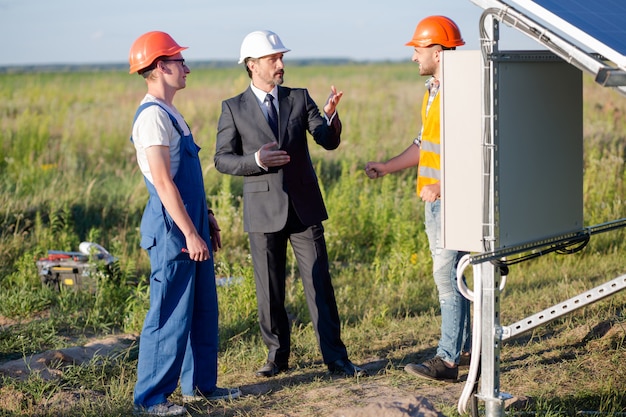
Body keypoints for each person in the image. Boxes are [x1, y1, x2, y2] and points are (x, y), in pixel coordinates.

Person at [214, 30, 366, 379]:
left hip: (304, 209)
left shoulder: (299, 98)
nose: (281, 64)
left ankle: (337, 359)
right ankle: (276, 356)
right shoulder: (232, 108)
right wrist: (256, 159)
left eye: (282, 58)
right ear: (253, 66)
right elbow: (222, 159)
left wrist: (329, 116)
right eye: (273, 59)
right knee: (269, 289)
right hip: (262, 211)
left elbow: (326, 141)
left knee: (319, 285)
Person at [128, 31, 240, 416]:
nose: (186, 68)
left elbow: (186, 174)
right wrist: (189, 232)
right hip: (171, 231)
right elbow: (162, 181)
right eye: (179, 62)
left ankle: (199, 387)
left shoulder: (171, 111)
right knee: (169, 313)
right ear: (160, 67)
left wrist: (205, 219)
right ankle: (151, 400)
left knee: (202, 310)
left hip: (191, 224)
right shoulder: (152, 118)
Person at [364, 16, 471, 383]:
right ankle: (467, 349)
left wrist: (445, 184)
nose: (414, 56)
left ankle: (448, 360)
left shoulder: (462, 89)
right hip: (437, 200)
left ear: (437, 52)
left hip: (452, 199)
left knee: (447, 277)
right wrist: (388, 167)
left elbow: (474, 146)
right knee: (455, 277)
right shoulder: (435, 89)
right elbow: (425, 144)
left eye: (418, 48)